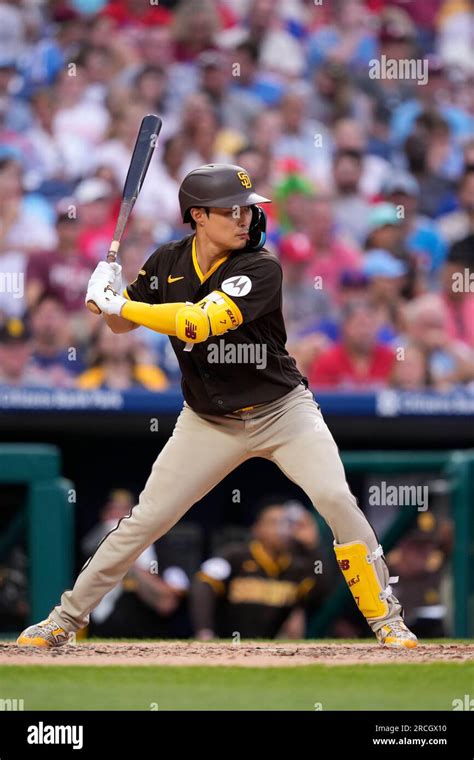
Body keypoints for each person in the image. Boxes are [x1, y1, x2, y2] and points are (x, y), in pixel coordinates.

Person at [18, 163, 417, 649]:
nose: (245, 218)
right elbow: (122, 327)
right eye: (232, 210)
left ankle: (388, 621)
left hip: (282, 411)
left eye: (248, 209)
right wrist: (106, 296)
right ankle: (64, 619)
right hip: (208, 421)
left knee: (336, 498)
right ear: (198, 216)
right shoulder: (167, 260)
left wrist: (121, 305)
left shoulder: (261, 266)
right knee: (145, 520)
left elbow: (198, 324)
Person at [190, 501, 325, 640]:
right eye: (274, 522)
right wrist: (204, 630)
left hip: (268, 648)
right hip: (226, 643)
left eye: (286, 524)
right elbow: (203, 584)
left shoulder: (297, 566)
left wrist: (312, 546)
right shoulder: (234, 556)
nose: (281, 529)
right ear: (257, 528)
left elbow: (321, 593)